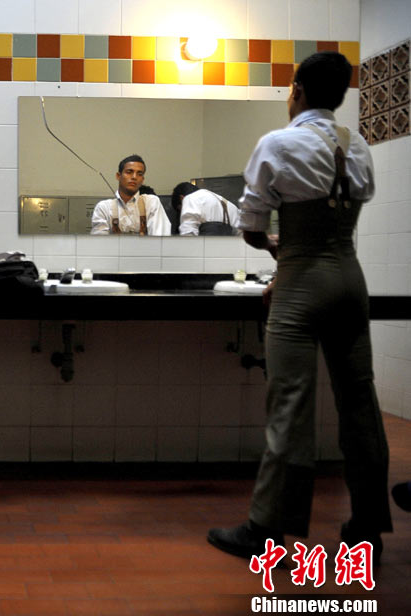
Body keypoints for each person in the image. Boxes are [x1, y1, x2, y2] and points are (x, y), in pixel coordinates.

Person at [207, 52, 392, 563]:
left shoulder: (278, 143)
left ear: (298, 90)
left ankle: (268, 531)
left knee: (290, 402)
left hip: (302, 284)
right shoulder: (358, 146)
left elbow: (251, 226)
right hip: (350, 280)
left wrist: (279, 256)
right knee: (360, 402)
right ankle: (368, 527)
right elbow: (343, 217)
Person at [90, 155, 171, 235]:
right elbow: (99, 241)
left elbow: (161, 239)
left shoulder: (151, 203)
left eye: (139, 174)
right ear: (118, 176)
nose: (134, 177)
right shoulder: (104, 208)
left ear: (142, 180)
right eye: (129, 172)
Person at [171, 182, 242, 236]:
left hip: (204, 249)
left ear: (182, 198)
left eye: (181, 209)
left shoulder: (190, 198)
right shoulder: (229, 205)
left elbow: (188, 233)